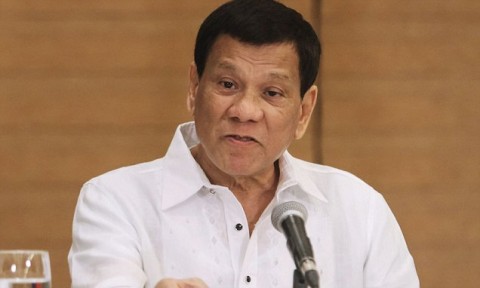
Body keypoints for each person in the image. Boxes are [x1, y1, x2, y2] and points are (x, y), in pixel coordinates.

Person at [68, 0, 419, 287]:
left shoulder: (360, 210)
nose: (245, 111)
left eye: (272, 93)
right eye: (227, 85)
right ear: (194, 87)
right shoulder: (115, 202)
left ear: (304, 111)